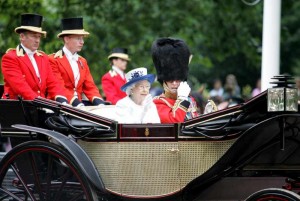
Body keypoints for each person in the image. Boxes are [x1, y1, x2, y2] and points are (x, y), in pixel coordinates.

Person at [1, 13, 67, 103]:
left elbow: (53, 83)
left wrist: (62, 100)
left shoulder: (43, 57)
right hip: (18, 108)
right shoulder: (10, 58)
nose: (37, 40)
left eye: (39, 37)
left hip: (40, 106)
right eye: (33, 36)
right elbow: (21, 87)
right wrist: (43, 103)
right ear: (22, 37)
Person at [49, 17, 104, 107]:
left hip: (79, 107)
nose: (82, 42)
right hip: (60, 106)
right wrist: (75, 103)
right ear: (66, 39)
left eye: (82, 39)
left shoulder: (83, 61)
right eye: (78, 38)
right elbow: (59, 87)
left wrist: (99, 102)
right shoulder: (53, 60)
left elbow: (90, 86)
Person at [151, 38, 199, 123]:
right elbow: (175, 122)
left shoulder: (190, 100)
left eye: (178, 79)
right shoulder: (157, 103)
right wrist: (182, 99)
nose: (174, 83)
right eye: (170, 80)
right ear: (164, 81)